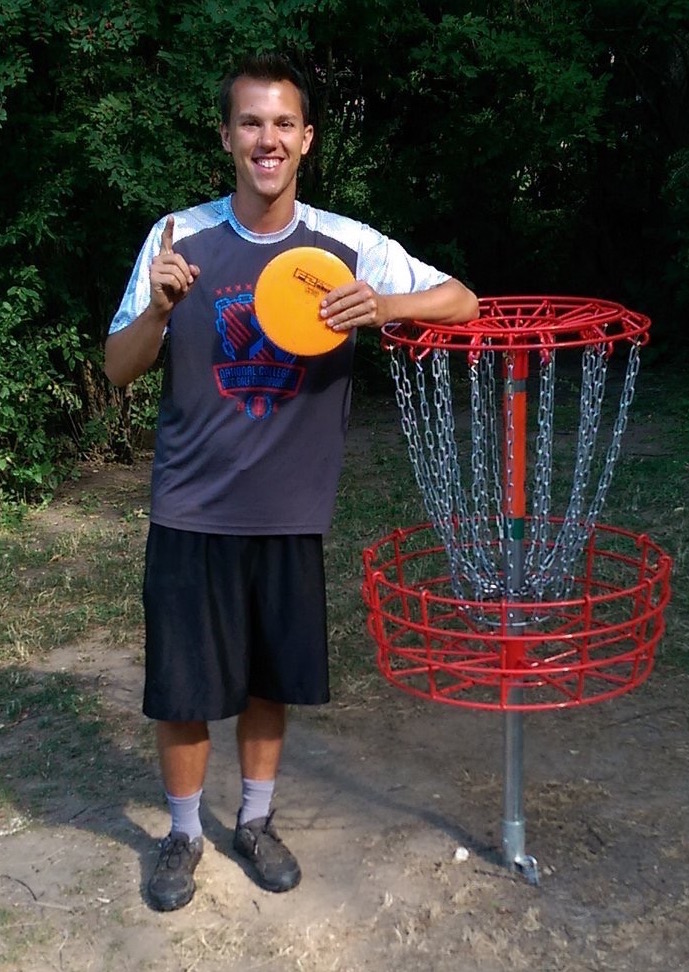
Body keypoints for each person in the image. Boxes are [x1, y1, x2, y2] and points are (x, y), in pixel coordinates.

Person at [104, 53, 479, 913]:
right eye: (249, 123)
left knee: (270, 682)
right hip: (192, 508)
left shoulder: (347, 246)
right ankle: (185, 832)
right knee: (185, 688)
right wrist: (159, 310)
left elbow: (460, 299)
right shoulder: (176, 238)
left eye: (282, 124)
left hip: (290, 511)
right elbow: (119, 369)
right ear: (227, 136)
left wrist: (383, 307)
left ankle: (257, 821)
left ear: (305, 138)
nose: (265, 140)